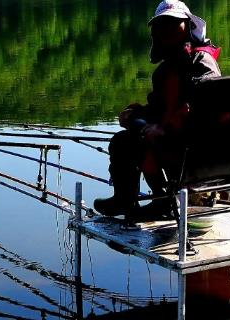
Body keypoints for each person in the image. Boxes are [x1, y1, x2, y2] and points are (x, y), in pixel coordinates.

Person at [94, 0, 222, 219]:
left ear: (188, 26)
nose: (167, 29)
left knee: (133, 142)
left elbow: (205, 106)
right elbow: (160, 108)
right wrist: (135, 114)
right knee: (124, 139)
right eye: (161, 24)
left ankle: (162, 200)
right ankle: (126, 200)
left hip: (194, 146)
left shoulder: (201, 61)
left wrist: (164, 129)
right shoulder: (167, 68)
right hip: (182, 141)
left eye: (174, 23)